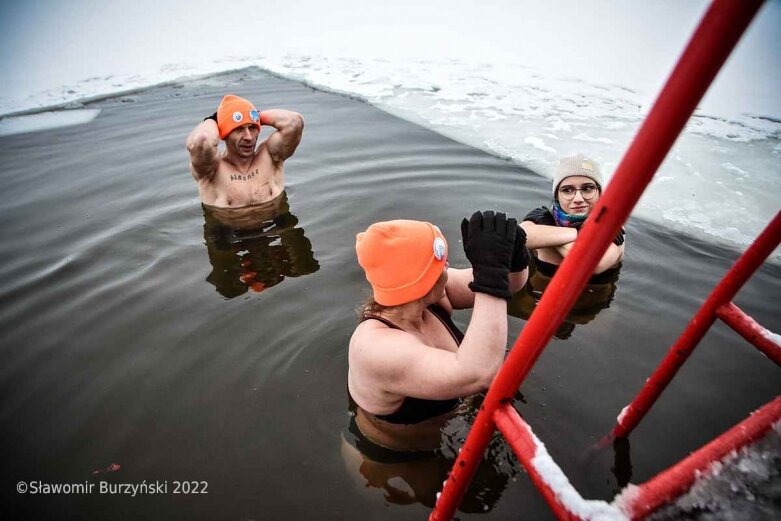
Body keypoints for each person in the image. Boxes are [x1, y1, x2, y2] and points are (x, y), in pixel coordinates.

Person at [347, 211, 529, 430]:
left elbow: (508, 284)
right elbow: (478, 374)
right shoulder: (376, 348)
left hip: (449, 424)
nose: (448, 266)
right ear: (418, 280)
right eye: (438, 264)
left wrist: (514, 256)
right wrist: (490, 272)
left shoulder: (433, 294)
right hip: (396, 458)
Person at [186, 94, 304, 208]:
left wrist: (254, 116)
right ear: (225, 134)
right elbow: (201, 142)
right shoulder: (211, 170)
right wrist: (214, 120)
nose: (248, 137)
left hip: (278, 226)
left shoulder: (271, 157)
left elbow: (294, 122)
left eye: (252, 128)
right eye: (238, 129)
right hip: (226, 228)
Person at [520, 153, 625, 278]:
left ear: (600, 193)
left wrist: (548, 236)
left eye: (588, 188)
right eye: (567, 190)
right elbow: (519, 235)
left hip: (594, 297)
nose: (578, 198)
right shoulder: (544, 218)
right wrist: (579, 233)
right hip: (537, 295)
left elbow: (593, 264)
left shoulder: (613, 228)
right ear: (557, 196)